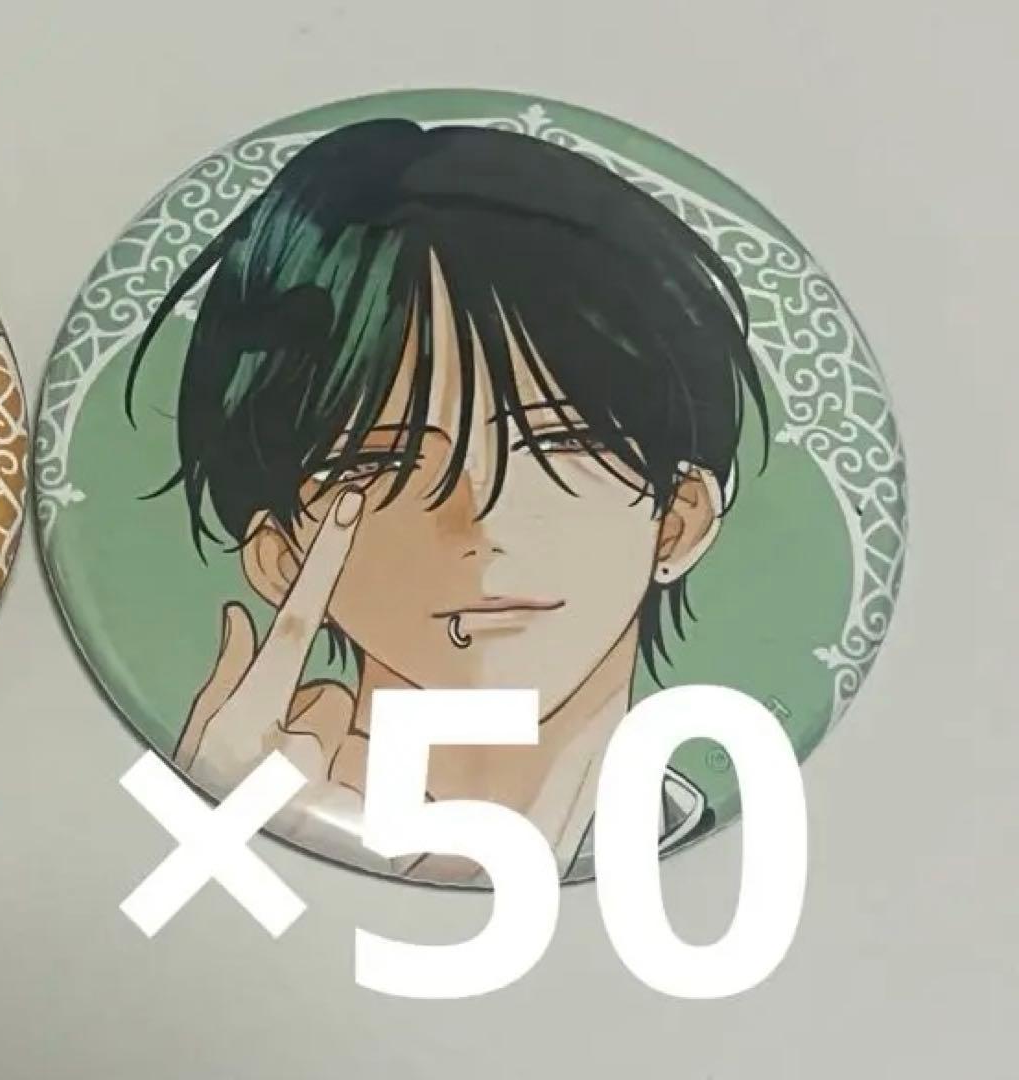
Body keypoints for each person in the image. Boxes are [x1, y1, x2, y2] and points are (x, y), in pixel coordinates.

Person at [126, 118, 769, 882]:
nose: (482, 522)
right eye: (387, 460)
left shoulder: (723, 860)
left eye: (560, 442)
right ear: (281, 554)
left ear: (680, 519)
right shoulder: (246, 830)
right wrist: (231, 839)